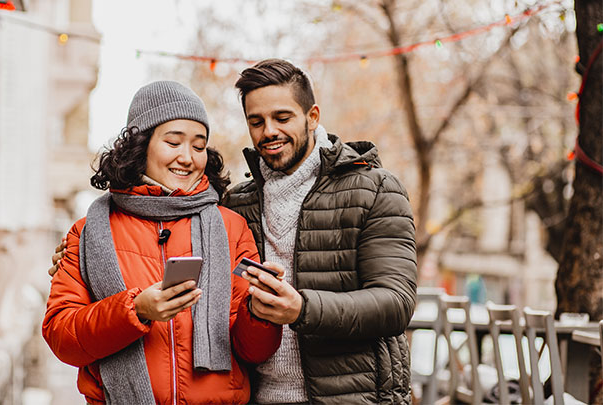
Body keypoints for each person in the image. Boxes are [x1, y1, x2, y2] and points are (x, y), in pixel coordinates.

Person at [50, 60, 417, 404]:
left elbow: (396, 303)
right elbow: (63, 332)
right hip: (264, 396)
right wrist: (121, 295)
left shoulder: (371, 190)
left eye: (282, 117)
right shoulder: (238, 203)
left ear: (312, 116)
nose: (269, 131)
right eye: (256, 121)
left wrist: (295, 309)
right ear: (141, 145)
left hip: (352, 396)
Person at [42, 81, 282, 405]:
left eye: (199, 146)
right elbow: (62, 337)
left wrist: (261, 312)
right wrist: (135, 311)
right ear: (141, 146)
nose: (187, 157)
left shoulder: (230, 227)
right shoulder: (88, 233)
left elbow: (253, 351)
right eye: (173, 142)